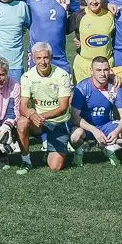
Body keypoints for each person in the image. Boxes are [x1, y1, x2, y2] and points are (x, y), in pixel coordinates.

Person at [69, 56, 122, 166]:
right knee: (75, 136)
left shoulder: (115, 87)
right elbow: (75, 117)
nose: (102, 74)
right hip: (86, 127)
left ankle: (110, 147)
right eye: (98, 70)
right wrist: (94, 131)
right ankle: (81, 149)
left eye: (105, 70)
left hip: (106, 125)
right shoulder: (82, 87)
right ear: (91, 71)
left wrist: (116, 132)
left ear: (110, 70)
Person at [19, 42, 73, 172]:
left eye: (45, 58)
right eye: (38, 58)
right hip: (39, 123)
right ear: (33, 59)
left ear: (51, 58)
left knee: (55, 167)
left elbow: (63, 107)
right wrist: (32, 115)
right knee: (22, 123)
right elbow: (23, 106)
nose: (42, 62)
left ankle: (52, 149)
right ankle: (26, 161)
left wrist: (40, 116)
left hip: (58, 122)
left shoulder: (62, 75)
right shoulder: (27, 77)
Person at [24, 0, 76, 75]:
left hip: (59, 55)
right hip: (37, 55)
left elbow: (85, 9)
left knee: (65, 84)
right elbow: (13, 4)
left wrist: (107, 4)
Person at [72, 0, 116, 83]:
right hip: (84, 65)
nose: (94, 1)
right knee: (82, 92)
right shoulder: (78, 16)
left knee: (107, 92)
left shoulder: (111, 14)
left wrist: (107, 5)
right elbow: (61, 30)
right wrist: (77, 39)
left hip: (105, 65)